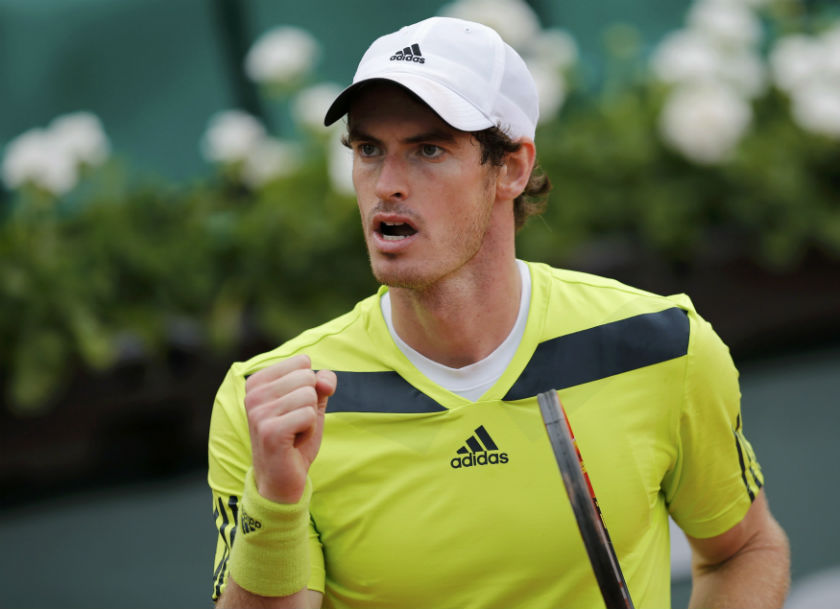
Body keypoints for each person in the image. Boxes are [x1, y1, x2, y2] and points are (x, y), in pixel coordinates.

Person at [208, 16, 789, 609]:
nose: (386, 184)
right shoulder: (269, 404)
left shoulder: (662, 345)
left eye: (428, 149)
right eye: (368, 149)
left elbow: (743, 549)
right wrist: (275, 502)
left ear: (511, 167)